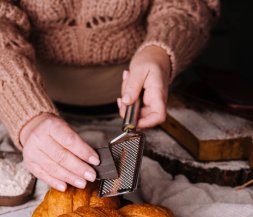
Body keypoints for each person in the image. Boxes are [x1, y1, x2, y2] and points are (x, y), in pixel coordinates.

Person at [0, 0, 220, 191]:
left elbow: (186, 5)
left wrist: (159, 53)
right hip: (21, 99)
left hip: (157, 104)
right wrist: (29, 118)